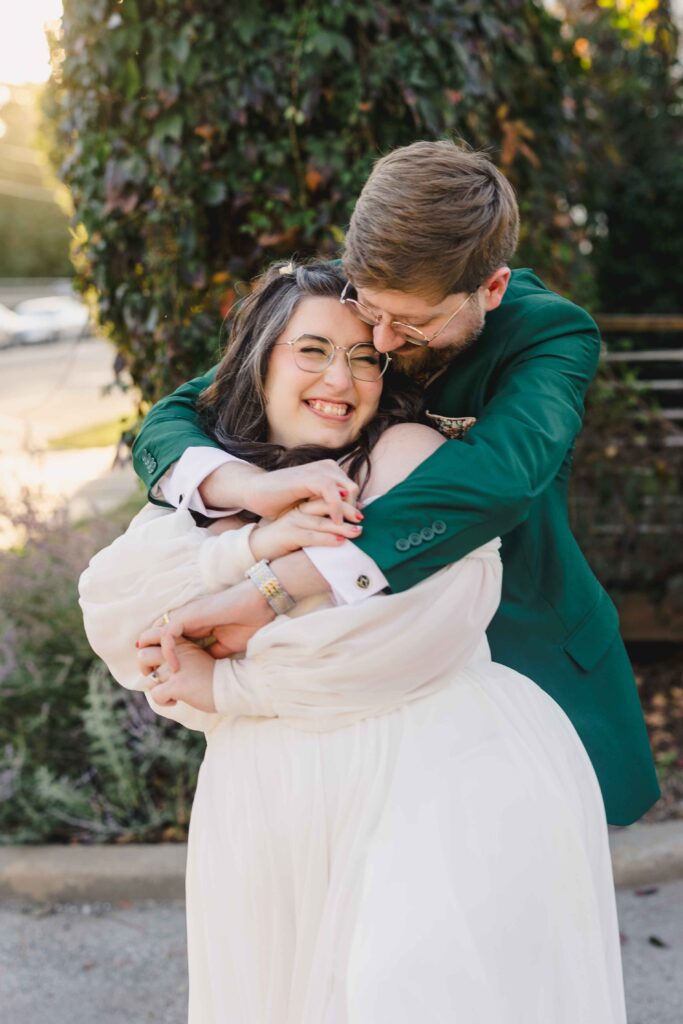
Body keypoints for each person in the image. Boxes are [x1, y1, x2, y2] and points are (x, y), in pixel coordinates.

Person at [80, 260, 627, 1023]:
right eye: (310, 351)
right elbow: (115, 608)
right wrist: (254, 537)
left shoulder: (406, 456)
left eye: (366, 356)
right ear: (257, 361)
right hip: (263, 804)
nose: (340, 377)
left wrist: (229, 684)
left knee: (402, 990)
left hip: (432, 780)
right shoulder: (226, 475)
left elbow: (397, 643)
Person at [131, 139, 659, 827]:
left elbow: (499, 481)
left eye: (410, 324)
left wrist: (277, 585)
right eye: (367, 306)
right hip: (347, 671)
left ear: (490, 288)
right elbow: (175, 415)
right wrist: (244, 489)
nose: (377, 342)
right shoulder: (344, 295)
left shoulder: (549, 336)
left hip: (520, 652)